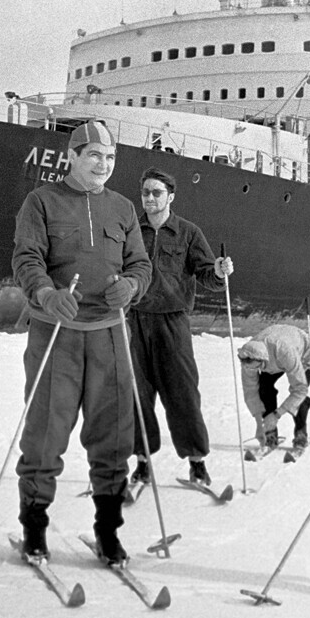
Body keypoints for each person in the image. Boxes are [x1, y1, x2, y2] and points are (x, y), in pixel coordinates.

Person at [11, 120, 153, 564]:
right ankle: (35, 528)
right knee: (45, 432)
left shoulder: (124, 208)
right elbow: (27, 256)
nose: (103, 165)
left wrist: (131, 287)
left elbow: (141, 265)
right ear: (72, 156)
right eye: (94, 155)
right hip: (56, 334)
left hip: (109, 334)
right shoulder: (42, 202)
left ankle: (108, 532)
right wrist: (46, 293)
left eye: (110, 158)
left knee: (113, 434)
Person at [127, 168, 233, 489]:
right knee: (136, 394)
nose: (149, 198)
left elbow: (207, 276)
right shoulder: (132, 230)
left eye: (157, 192)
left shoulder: (187, 233)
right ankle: (142, 463)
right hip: (134, 320)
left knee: (183, 393)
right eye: (146, 192)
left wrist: (218, 271)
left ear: (170, 196)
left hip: (172, 322)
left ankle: (196, 462)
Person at [237, 322, 310, 451]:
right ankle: (270, 434)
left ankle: (300, 434)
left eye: (256, 367)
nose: (251, 369)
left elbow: (299, 389)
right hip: (273, 357)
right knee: (264, 390)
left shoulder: (285, 351)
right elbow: (250, 391)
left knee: (299, 398)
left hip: (304, 354)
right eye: (250, 367)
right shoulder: (248, 357)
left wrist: (276, 415)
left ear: (262, 360)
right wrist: (260, 422)